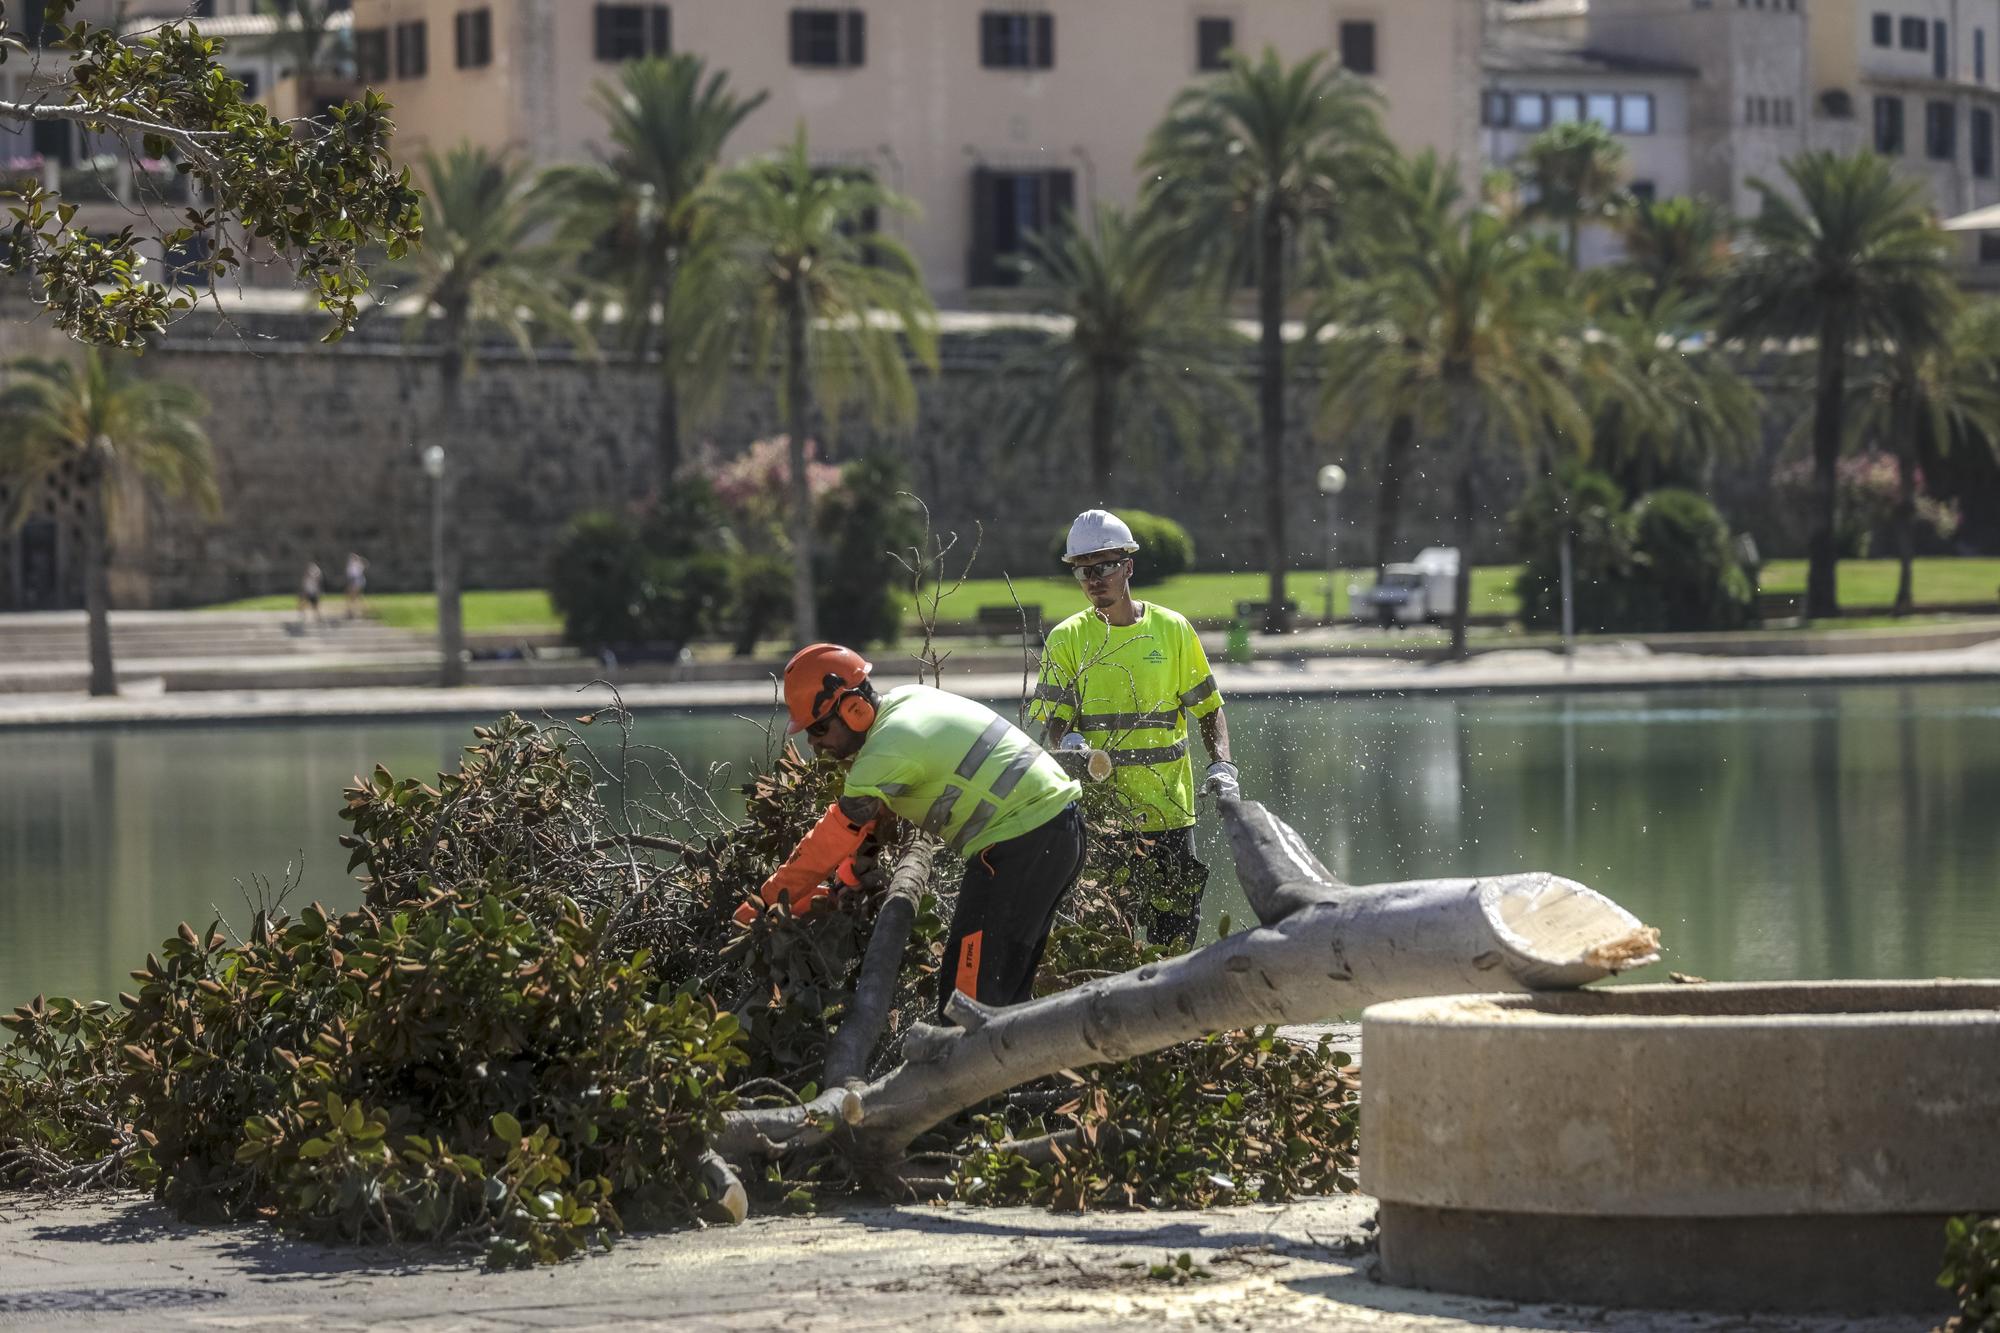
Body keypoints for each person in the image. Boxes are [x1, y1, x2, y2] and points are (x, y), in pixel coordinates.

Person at [741, 644, 1086, 1018]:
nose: (814, 743)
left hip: (1016, 848)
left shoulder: (882, 754)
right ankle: (1019, 1074)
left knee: (964, 1006)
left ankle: (963, 1073)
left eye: (820, 727)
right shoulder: (909, 699)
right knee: (1004, 1000)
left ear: (854, 710)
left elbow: (834, 835)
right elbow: (877, 817)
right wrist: (849, 879)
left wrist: (765, 901)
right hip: (1060, 832)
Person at [1030, 509, 1237, 952]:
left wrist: (1222, 763)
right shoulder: (1066, 640)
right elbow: (1054, 719)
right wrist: (1068, 742)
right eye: (1083, 571)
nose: (1093, 579)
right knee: (1105, 941)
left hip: (1170, 814)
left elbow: (1208, 707)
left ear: (1128, 566)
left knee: (1176, 938)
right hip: (1103, 819)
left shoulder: (1172, 630)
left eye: (1104, 567)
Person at [343, 551, 369, 620]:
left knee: (353, 597)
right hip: (354, 581)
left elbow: (354, 575)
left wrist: (359, 559)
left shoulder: (356, 565)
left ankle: (353, 611)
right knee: (354, 597)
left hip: (355, 581)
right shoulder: (354, 564)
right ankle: (353, 611)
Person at [297, 561, 323, 627]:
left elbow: (318, 579)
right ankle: (302, 614)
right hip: (307, 591)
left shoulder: (315, 574)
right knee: (303, 603)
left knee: (315, 605)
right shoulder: (307, 577)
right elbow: (304, 583)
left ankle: (317, 617)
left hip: (313, 591)